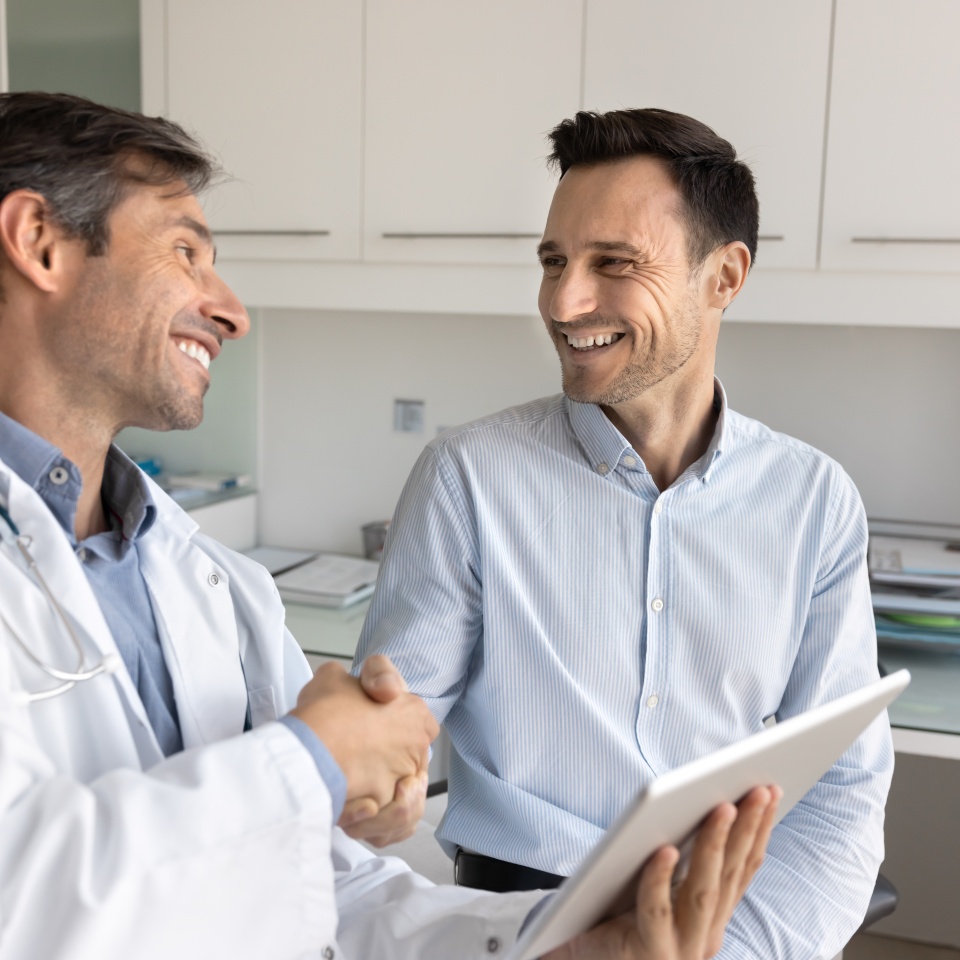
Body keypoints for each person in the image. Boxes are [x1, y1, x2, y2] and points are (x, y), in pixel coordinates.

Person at [0, 92, 779, 960]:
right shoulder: (471, 476)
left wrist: (548, 943)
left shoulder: (208, 586)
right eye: (186, 250)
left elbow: (324, 886)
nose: (231, 309)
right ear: (39, 242)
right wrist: (312, 761)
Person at [356, 107, 894, 959]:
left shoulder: (814, 501)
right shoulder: (468, 476)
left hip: (734, 918)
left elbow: (839, 792)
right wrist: (373, 772)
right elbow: (390, 735)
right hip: (522, 921)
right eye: (553, 261)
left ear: (724, 277)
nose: (565, 302)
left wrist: (738, 952)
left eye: (614, 263)